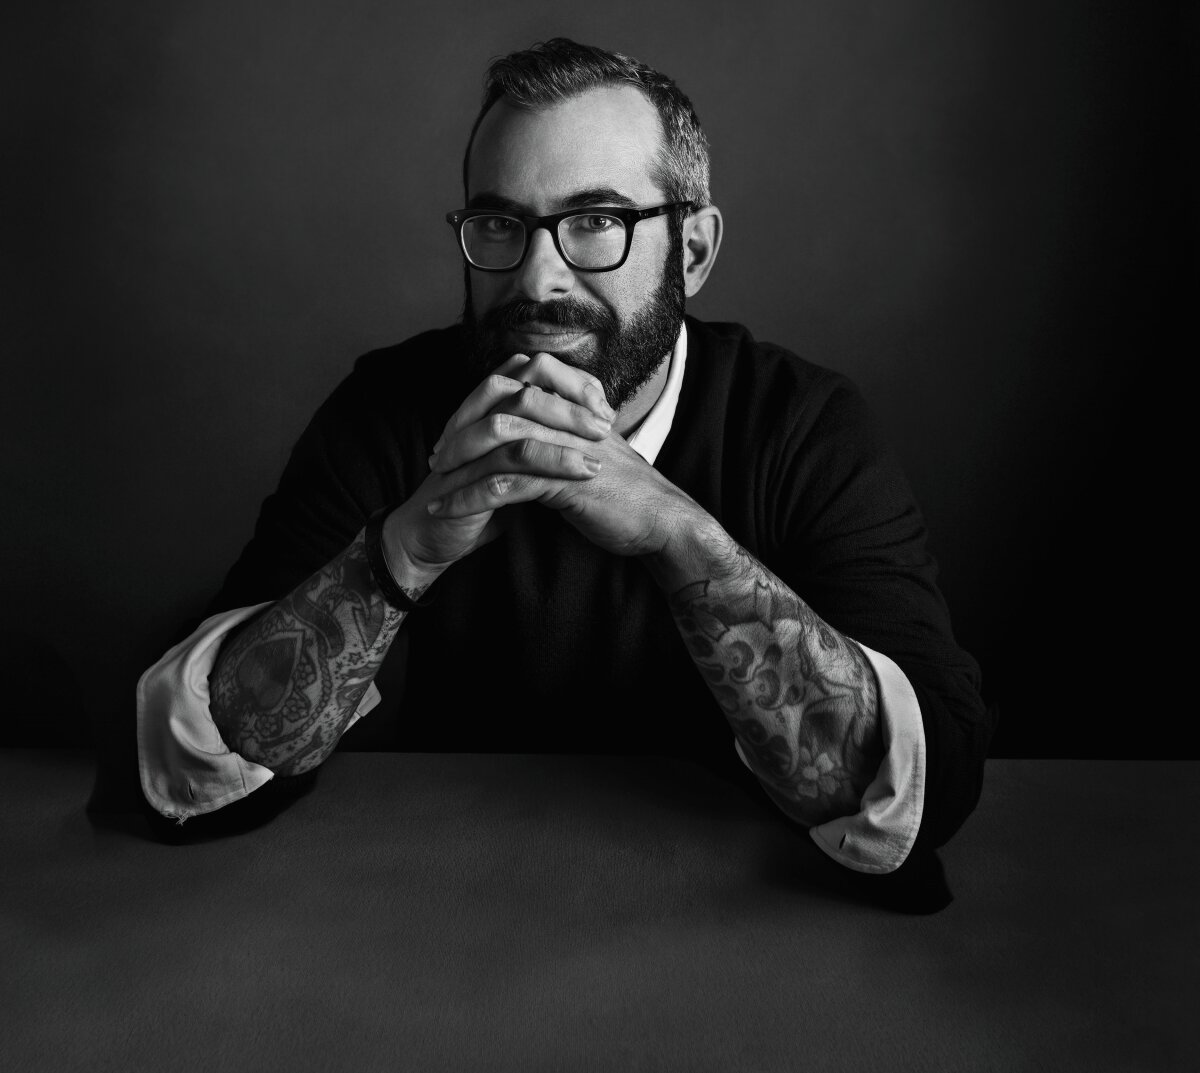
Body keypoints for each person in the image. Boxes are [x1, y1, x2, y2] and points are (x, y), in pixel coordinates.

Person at [137, 38, 993, 878]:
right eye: (499, 224)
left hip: (737, 912)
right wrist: (403, 549)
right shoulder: (388, 410)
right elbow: (196, 762)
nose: (537, 279)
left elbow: (921, 789)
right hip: (438, 895)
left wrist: (677, 533)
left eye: (596, 222)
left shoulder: (804, 427)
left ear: (692, 250)